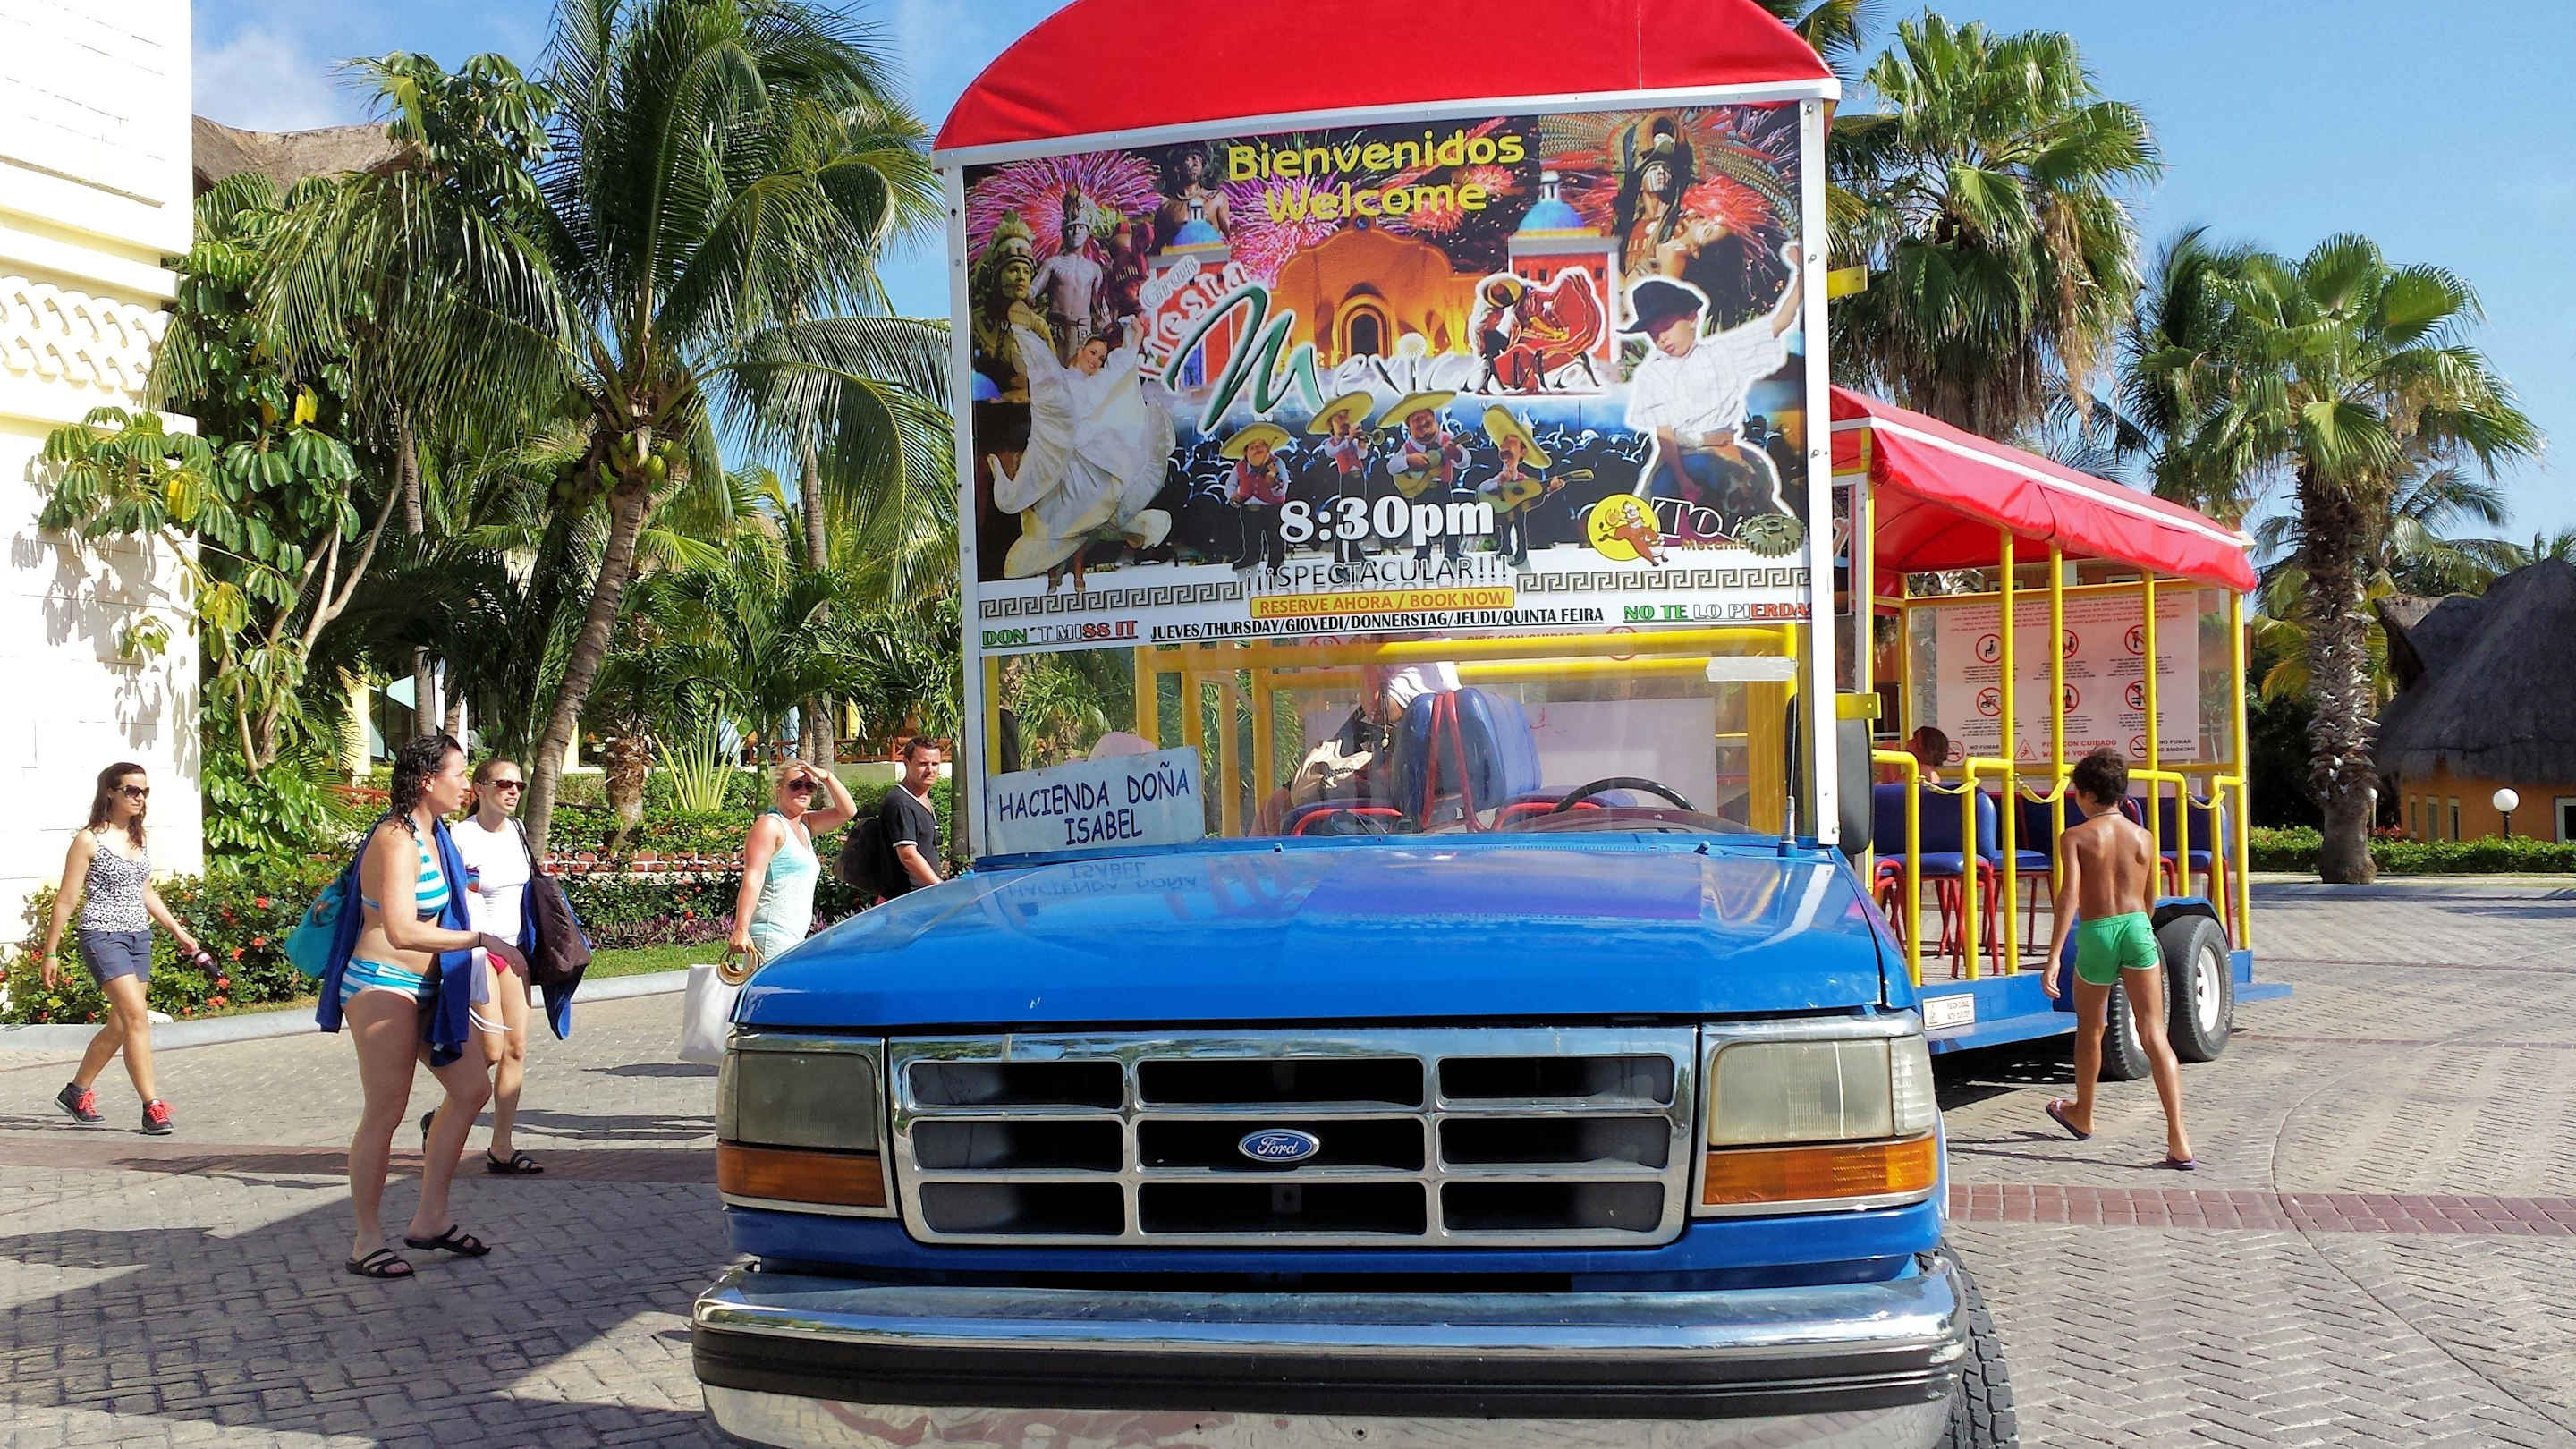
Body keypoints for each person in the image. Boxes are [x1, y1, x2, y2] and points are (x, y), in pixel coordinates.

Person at [320, 733, 527, 1280]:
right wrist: (480, 940)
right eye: (458, 775)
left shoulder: (438, 835)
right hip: (382, 983)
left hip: (431, 987)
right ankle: (366, 1241)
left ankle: (430, 1219)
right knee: (386, 1110)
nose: (466, 785)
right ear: (427, 780)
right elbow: (401, 929)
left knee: (472, 1089)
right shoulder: (395, 838)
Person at [2039, 748, 2195, 1170]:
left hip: (2098, 932)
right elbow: (2150, 898)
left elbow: (2069, 896)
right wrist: (2139, 932)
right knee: (2155, 1034)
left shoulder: (2075, 837)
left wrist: (2054, 956)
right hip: (2138, 928)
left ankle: (2083, 1113)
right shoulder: (2144, 837)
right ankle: (2179, 1138)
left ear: (2088, 794)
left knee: (2091, 1029)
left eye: (2076, 791)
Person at [40, 763, 205, 1135]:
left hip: (138, 937)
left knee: (120, 1024)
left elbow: (145, 891)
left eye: (144, 791)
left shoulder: (138, 838)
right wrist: (51, 952)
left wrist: (178, 931)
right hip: (102, 935)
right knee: (136, 1018)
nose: (139, 797)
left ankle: (76, 1091)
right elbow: (66, 898)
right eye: (131, 790)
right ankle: (152, 1107)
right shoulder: (88, 840)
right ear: (110, 793)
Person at [1622, 250, 1802, 533]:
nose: (1662, 338)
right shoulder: (1652, 374)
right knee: (1659, 521)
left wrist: (1802, 274)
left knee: (1759, 509)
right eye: (1654, 334)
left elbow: (1779, 322)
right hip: (1681, 460)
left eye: (1667, 327)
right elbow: (1664, 433)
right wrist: (1683, 479)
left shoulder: (1724, 353)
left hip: (1727, 451)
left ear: (1692, 318)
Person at [442, 758, 545, 1175]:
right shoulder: (460, 836)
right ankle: (445, 1114)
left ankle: (502, 1146)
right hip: (479, 950)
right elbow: (456, 901)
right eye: (504, 783)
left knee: (516, 1048)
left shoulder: (518, 831)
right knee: (490, 1049)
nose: (513, 791)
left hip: (515, 950)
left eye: (519, 784)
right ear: (480, 788)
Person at [731, 761, 860, 964]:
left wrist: (827, 777)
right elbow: (753, 878)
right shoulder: (770, 825)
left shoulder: (804, 825)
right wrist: (740, 929)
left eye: (810, 786)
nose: (803, 790)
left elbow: (848, 812)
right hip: (771, 935)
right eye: (796, 785)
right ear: (779, 789)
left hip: (794, 937)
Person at [878, 739, 946, 899]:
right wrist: (941, 888)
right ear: (906, 763)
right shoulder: (900, 803)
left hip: (924, 895)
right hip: (907, 899)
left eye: (935, 764)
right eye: (923, 764)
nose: (930, 770)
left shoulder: (921, 798)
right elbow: (908, 856)